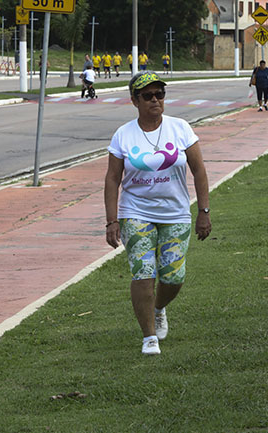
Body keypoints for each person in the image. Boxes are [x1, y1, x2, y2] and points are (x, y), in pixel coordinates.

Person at [104, 71, 211, 355]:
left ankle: (159, 307)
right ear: (134, 100)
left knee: (173, 277)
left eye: (159, 94)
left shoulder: (180, 129)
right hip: (135, 212)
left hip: (175, 213)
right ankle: (149, 337)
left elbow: (199, 171)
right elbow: (113, 179)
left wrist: (204, 211)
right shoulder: (123, 135)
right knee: (143, 272)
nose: (155, 100)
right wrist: (112, 220)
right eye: (147, 96)